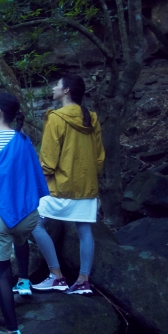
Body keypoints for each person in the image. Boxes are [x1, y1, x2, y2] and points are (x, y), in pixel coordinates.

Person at [0, 92, 49, 334]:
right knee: (20, 238)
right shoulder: (23, 140)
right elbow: (30, 175)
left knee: (1, 271)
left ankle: (14, 331)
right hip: (25, 215)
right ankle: (24, 280)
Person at [30, 75, 105, 295]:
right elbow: (99, 157)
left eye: (57, 85)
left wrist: (42, 180)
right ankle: (83, 281)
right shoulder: (91, 118)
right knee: (84, 230)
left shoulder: (56, 118)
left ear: (67, 91)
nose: (53, 87)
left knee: (34, 223)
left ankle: (56, 276)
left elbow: (49, 158)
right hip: (86, 185)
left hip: (59, 186)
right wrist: (89, 177)